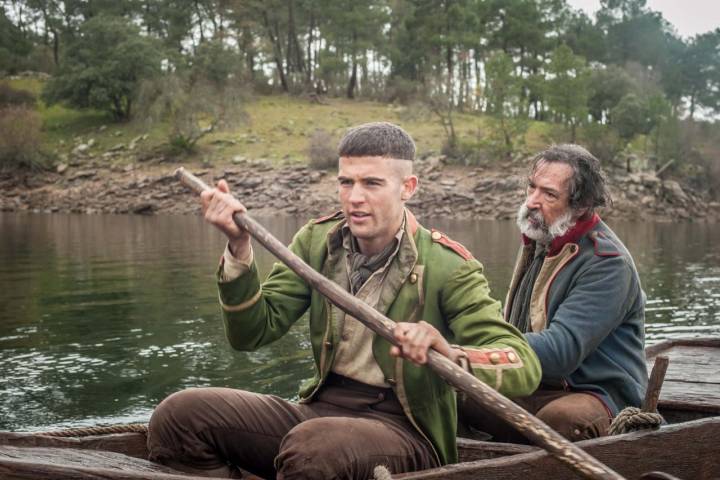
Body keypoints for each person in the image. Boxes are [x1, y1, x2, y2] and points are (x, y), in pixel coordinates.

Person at [147, 122, 541, 479]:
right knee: (178, 416)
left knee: (315, 449)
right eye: (345, 182)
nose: (354, 198)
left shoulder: (447, 265)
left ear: (408, 188)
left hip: (406, 431)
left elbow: (522, 363)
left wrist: (450, 353)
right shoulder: (315, 241)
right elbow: (250, 334)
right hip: (319, 410)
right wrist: (238, 244)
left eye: (371, 183)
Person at [460, 144, 648, 443]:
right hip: (538, 384)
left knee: (560, 421)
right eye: (531, 188)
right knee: (454, 396)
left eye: (549, 194)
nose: (532, 201)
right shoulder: (543, 240)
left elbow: (561, 352)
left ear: (582, 204)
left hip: (597, 393)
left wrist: (473, 352)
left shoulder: (607, 263)